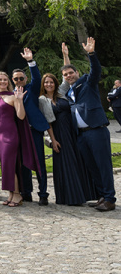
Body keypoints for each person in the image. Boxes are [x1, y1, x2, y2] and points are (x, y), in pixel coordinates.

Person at [59, 37, 116, 212]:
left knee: (103, 165)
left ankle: (109, 198)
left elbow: (95, 71)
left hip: (96, 131)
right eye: (65, 74)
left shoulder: (87, 84)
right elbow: (64, 80)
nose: (69, 76)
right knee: (92, 166)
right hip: (81, 135)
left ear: (77, 73)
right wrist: (65, 56)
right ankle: (101, 196)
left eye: (71, 73)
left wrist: (91, 54)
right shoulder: (69, 92)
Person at [41, 71, 94, 206]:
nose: (49, 84)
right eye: (46, 82)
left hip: (72, 132)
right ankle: (70, 197)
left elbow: (66, 77)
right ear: (43, 84)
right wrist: (53, 140)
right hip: (59, 134)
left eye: (51, 82)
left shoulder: (62, 95)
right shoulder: (42, 99)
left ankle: (85, 194)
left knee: (78, 161)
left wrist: (65, 55)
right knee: (66, 163)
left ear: (55, 84)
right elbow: (48, 122)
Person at [0, 71, 36, 207]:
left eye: (5, 80)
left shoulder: (13, 97)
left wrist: (19, 100)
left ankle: (17, 194)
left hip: (10, 136)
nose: (2, 82)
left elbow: (21, 116)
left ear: (8, 82)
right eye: (0, 79)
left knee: (10, 165)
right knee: (5, 165)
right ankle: (11, 194)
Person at [15, 48, 51, 205]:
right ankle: (26, 192)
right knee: (23, 164)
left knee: (39, 163)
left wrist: (30, 61)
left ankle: (43, 193)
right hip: (20, 133)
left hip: (34, 130)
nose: (19, 81)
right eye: (16, 79)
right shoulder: (11, 94)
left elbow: (37, 77)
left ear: (25, 78)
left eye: (21, 78)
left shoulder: (32, 88)